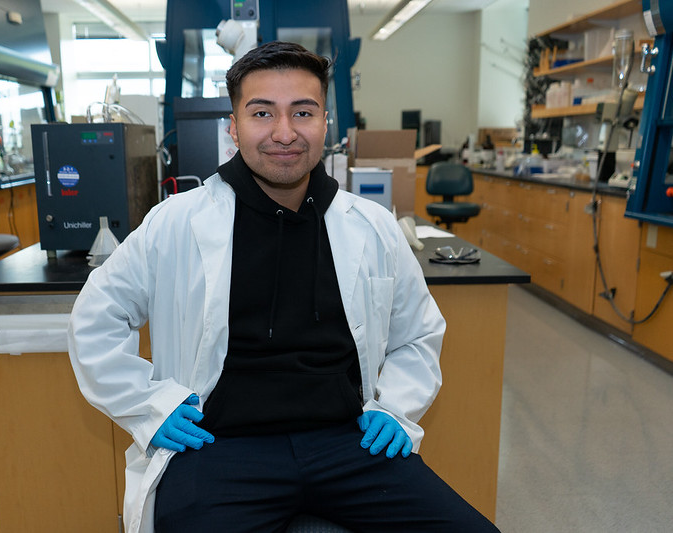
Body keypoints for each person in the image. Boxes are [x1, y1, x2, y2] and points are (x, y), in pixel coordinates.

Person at [68, 41, 499, 533]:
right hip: (219, 446)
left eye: (303, 112)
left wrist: (396, 408)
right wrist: (151, 408)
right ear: (233, 127)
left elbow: (418, 333)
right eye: (261, 113)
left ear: (324, 125)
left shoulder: (371, 225)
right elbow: (96, 318)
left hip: (350, 442)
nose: (284, 132)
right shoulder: (176, 223)